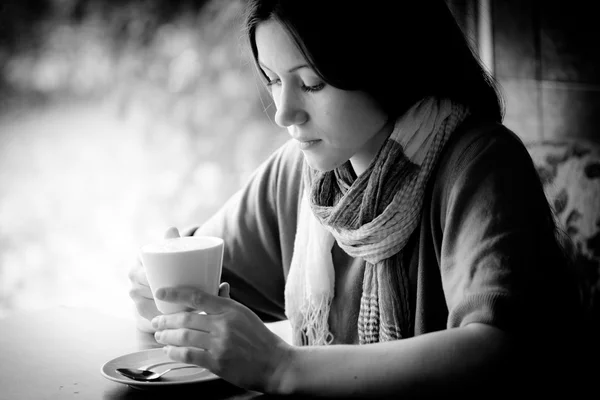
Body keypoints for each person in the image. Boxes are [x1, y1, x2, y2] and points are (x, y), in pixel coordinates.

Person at [128, 0, 586, 397]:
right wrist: (163, 292)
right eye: (272, 80)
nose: (284, 112)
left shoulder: (481, 164)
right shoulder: (301, 173)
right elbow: (203, 278)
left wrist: (281, 367)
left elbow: (497, 349)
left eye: (310, 83)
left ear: (383, 64)